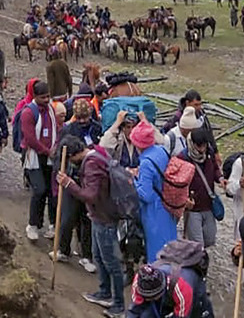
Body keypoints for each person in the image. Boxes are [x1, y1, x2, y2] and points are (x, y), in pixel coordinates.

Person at [57, 133, 127, 317]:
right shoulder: (97, 152)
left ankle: (119, 304)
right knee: (98, 256)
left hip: (105, 217)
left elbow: (90, 195)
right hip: (98, 215)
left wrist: (69, 184)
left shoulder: (91, 165)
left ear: (73, 155)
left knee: (111, 261)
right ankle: (104, 292)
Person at [50, 134, 97, 273]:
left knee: (86, 222)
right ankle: (63, 250)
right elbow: (57, 167)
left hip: (85, 191)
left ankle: (86, 256)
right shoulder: (63, 154)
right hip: (69, 190)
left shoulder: (89, 160)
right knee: (66, 219)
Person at [20, 80, 60, 241]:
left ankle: (52, 224)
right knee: (39, 190)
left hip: (50, 155)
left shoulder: (50, 109)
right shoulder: (28, 113)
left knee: (51, 191)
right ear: (35, 96)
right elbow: (30, 138)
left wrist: (55, 147)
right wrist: (46, 151)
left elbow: (56, 128)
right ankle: (33, 224)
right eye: (43, 97)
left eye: (48, 96)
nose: (46, 100)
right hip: (34, 156)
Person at [133, 119, 178, 262]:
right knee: (170, 247)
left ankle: (158, 280)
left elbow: (146, 195)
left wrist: (133, 181)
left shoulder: (146, 163)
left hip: (154, 211)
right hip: (168, 205)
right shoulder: (162, 151)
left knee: (157, 253)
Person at [181, 126, 221, 249]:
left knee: (210, 238)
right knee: (197, 245)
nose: (202, 150)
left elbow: (214, 168)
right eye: (199, 146)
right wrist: (184, 199)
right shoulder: (183, 158)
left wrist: (220, 178)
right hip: (193, 208)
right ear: (192, 144)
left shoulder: (209, 152)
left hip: (208, 205)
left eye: (204, 146)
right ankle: (198, 264)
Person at [127, 263, 194, 318]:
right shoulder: (138, 282)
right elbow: (134, 309)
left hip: (189, 296)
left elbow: (181, 316)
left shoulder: (182, 288)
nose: (149, 299)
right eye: (147, 298)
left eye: (153, 297)